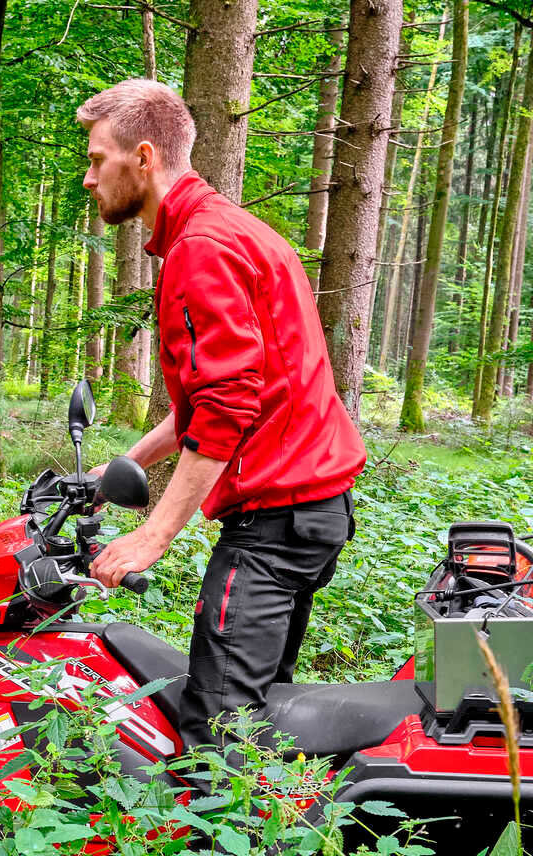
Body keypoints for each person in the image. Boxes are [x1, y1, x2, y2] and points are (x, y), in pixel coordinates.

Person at [79, 79, 367, 753]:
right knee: (263, 709)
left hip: (275, 525)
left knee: (219, 731)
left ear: (143, 158)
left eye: (97, 159)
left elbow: (228, 405)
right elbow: (219, 393)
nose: (88, 178)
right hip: (309, 509)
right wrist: (125, 464)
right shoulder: (223, 231)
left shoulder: (201, 249)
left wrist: (153, 535)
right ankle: (280, 837)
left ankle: (227, 847)